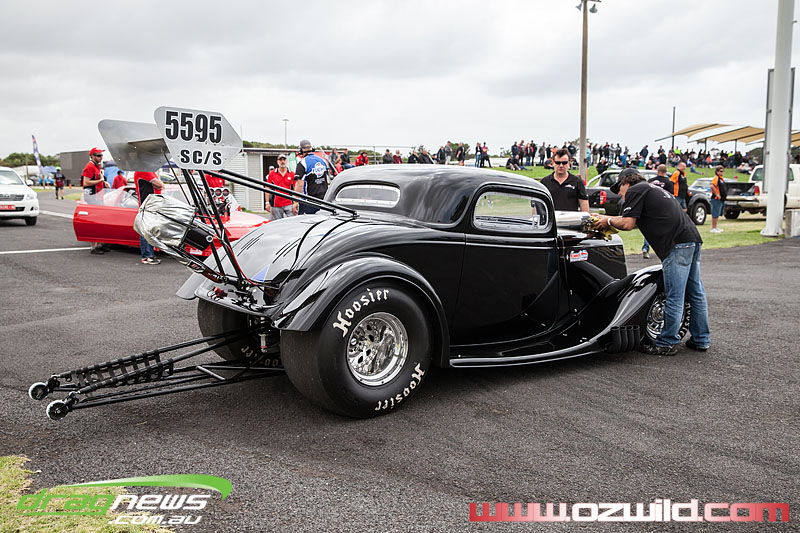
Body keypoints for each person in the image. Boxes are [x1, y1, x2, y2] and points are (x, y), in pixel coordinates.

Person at [593, 168, 710, 356]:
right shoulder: (653, 188)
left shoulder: (635, 190)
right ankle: (701, 339)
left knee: (674, 295)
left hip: (676, 244)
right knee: (695, 292)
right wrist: (610, 219)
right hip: (692, 238)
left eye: (619, 189)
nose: (620, 195)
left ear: (625, 182)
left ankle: (667, 342)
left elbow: (628, 224)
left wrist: (607, 221)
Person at [293, 139, 335, 215]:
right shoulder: (322, 160)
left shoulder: (302, 163)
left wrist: (295, 201)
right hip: (324, 199)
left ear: (301, 150)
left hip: (309, 201)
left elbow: (300, 185)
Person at [133, 170, 165, 264]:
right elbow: (160, 184)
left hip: (151, 205)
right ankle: (147, 256)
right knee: (146, 231)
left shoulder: (148, 171)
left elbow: (160, 185)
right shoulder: (143, 171)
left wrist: (158, 185)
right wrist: (157, 185)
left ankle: (149, 255)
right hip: (147, 205)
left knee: (150, 231)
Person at [641, 164, 673, 258]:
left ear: (657, 171)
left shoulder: (650, 181)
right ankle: (664, 250)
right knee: (664, 230)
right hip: (663, 209)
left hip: (650, 208)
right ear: (665, 172)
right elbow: (671, 196)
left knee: (649, 229)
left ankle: (645, 248)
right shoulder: (668, 182)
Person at [82, 148, 108, 255]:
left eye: (101, 155)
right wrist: (100, 180)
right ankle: (93, 246)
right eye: (98, 155)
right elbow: (86, 182)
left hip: (98, 196)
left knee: (100, 221)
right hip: (92, 197)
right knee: (94, 222)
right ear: (92, 156)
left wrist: (103, 182)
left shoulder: (97, 166)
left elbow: (97, 178)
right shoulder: (90, 166)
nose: (101, 157)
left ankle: (99, 244)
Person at [265, 154, 296, 220]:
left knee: (293, 221)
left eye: (284, 160)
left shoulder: (292, 174)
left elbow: (295, 189)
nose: (282, 161)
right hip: (276, 204)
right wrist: (267, 202)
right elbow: (267, 188)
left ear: (286, 161)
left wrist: (295, 203)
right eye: (280, 160)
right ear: (277, 161)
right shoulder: (272, 173)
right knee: (277, 223)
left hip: (289, 203)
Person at [709, 165, 727, 234]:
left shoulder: (721, 179)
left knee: (718, 213)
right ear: (717, 172)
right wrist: (717, 194)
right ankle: (713, 228)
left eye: (723, 171)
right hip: (716, 199)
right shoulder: (716, 178)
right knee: (715, 214)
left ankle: (716, 227)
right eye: (721, 171)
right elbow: (712, 185)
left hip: (721, 199)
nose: (722, 173)